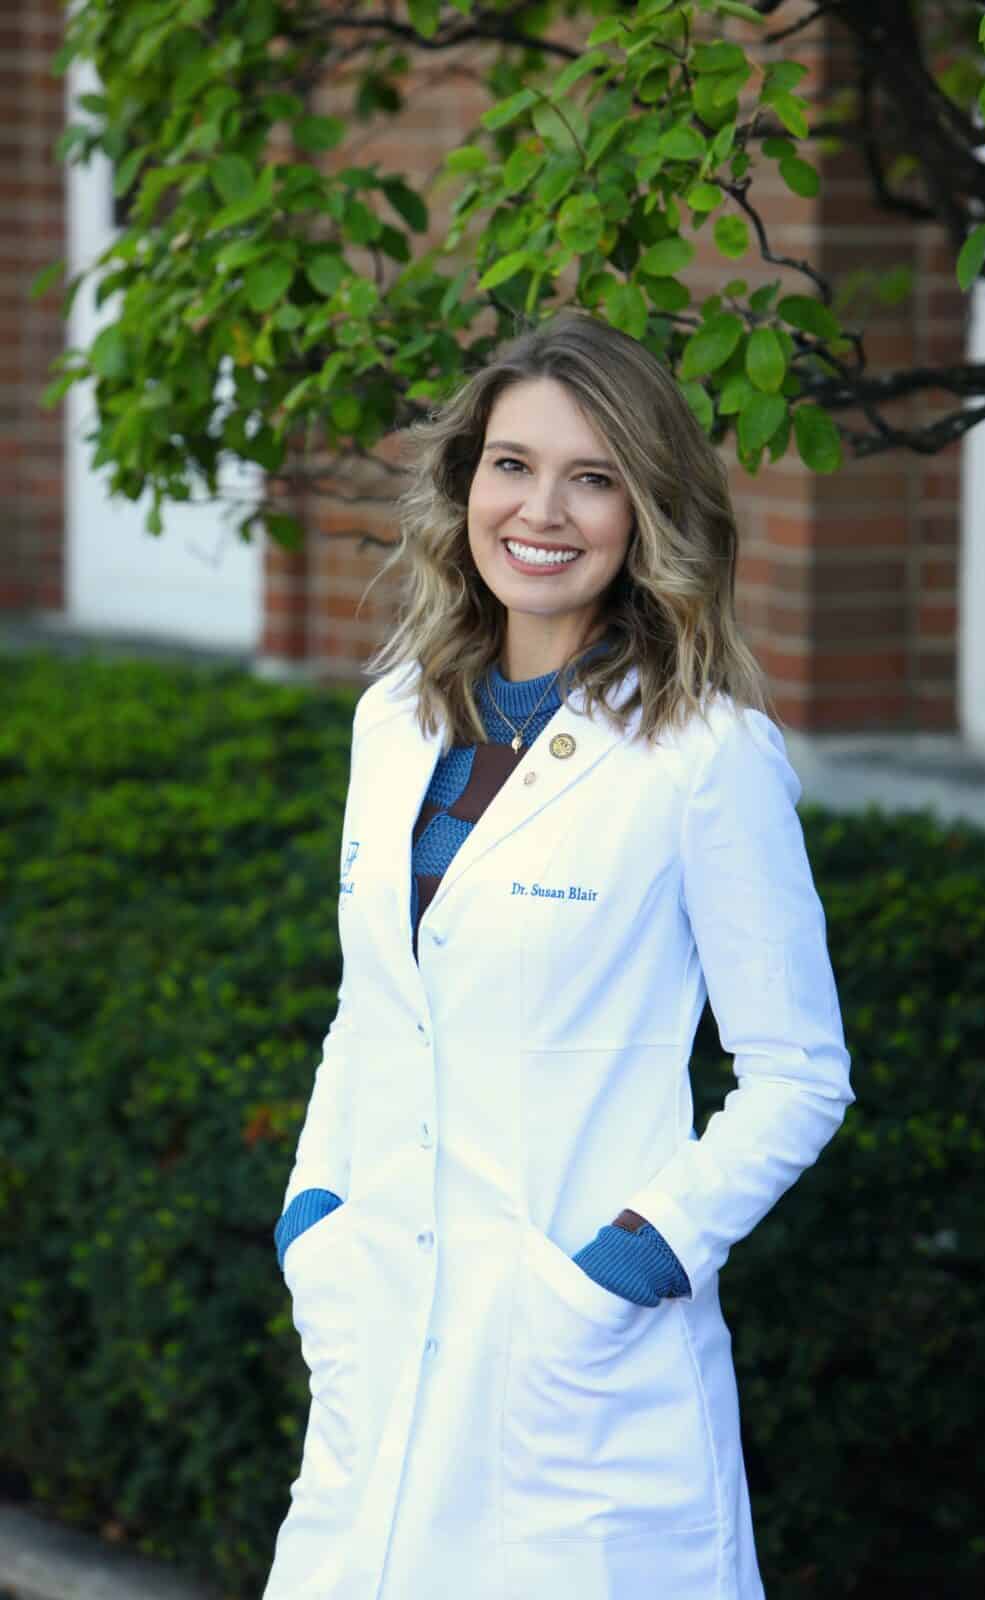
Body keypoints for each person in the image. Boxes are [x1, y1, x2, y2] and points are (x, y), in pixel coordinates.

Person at [261, 310, 853, 1600]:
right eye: (513, 465)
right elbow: (373, 1013)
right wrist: (316, 1217)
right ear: (467, 483)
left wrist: (632, 1262)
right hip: (384, 1324)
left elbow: (799, 1074)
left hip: (577, 1367)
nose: (545, 509)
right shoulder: (394, 721)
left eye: (595, 477)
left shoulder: (705, 755)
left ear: (648, 512)